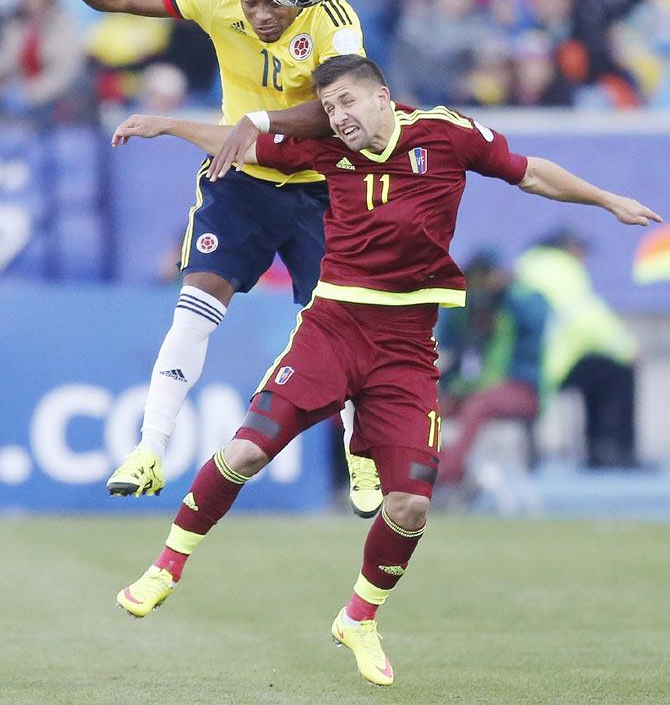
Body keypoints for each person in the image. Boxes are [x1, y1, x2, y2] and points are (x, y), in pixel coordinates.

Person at [110, 55, 660, 686]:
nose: (340, 117)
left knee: (412, 507)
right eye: (331, 107)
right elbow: (241, 142)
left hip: (405, 345)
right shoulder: (319, 149)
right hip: (333, 330)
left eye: (348, 102)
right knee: (247, 451)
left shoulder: (445, 135)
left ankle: (360, 617)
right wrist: (166, 124)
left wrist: (606, 199)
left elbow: (530, 173)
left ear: (382, 98)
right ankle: (167, 565)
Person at [27, 0, 383, 517]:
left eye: (272, 4)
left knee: (341, 323)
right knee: (194, 306)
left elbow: (345, 104)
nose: (260, 15)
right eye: (250, 2)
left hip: (320, 186)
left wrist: (259, 121)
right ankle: (149, 448)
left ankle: (361, 456)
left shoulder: (334, 21)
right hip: (241, 181)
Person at [517, 229, 641, 467]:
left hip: (530, 363)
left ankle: (598, 451)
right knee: (618, 371)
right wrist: (626, 348)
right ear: (568, 248)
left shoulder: (528, 267)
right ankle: (615, 450)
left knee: (597, 370)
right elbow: (585, 317)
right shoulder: (560, 269)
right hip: (552, 365)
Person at [436, 250, 548, 487]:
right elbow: (447, 345)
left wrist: (506, 290)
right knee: (429, 409)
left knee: (478, 404)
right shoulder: (465, 312)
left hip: (521, 387)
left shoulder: (516, 306)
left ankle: (449, 473)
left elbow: (537, 317)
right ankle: (441, 468)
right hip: (476, 388)